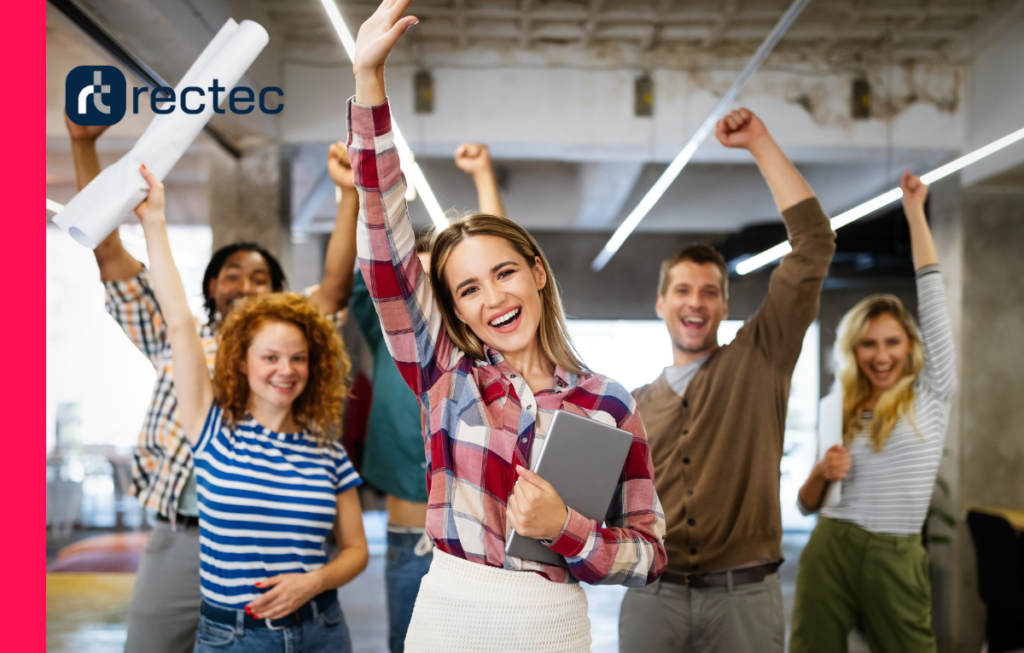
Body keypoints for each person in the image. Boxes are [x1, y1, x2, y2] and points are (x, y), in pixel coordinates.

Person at [347, 1, 667, 650]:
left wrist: (565, 526)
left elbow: (649, 555)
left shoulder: (607, 402)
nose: (492, 296)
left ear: (538, 273)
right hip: (448, 615)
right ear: (455, 310)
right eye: (467, 288)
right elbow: (384, 243)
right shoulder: (444, 374)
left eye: (504, 272)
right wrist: (368, 82)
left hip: (551, 628)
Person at [65, 113, 360, 653]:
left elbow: (334, 294)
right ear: (210, 286)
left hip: (271, 534)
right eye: (232, 275)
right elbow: (110, 256)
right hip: (185, 529)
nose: (246, 285)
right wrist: (84, 146)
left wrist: (349, 197)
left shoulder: (287, 356)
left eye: (260, 278)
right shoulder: (179, 340)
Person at [619, 108, 837, 652]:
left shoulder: (760, 359)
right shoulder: (632, 406)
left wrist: (760, 142)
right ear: (661, 304)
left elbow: (813, 245)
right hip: (652, 596)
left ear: (723, 306)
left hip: (744, 600)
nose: (695, 302)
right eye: (684, 291)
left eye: (709, 292)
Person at [130, 164, 369, 651]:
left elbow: (356, 552)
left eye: (298, 358)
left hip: (323, 630)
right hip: (236, 638)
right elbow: (178, 322)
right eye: (271, 358)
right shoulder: (213, 430)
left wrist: (315, 582)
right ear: (240, 363)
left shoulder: (326, 450)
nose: (286, 370)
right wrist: (154, 220)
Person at [341, 139, 505, 653]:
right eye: (413, 286)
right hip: (408, 541)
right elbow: (369, 270)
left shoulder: (479, 358)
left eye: (436, 285)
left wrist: (483, 177)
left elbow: (498, 261)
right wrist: (360, 195)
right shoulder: (390, 339)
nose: (422, 297)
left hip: (477, 548)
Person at [790, 171, 955, 653]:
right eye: (869, 344)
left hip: (895, 550)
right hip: (831, 545)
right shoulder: (836, 404)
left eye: (892, 342)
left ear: (910, 345)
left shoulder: (933, 392)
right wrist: (823, 470)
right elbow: (804, 503)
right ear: (853, 349)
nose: (881, 356)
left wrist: (915, 213)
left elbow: (933, 297)